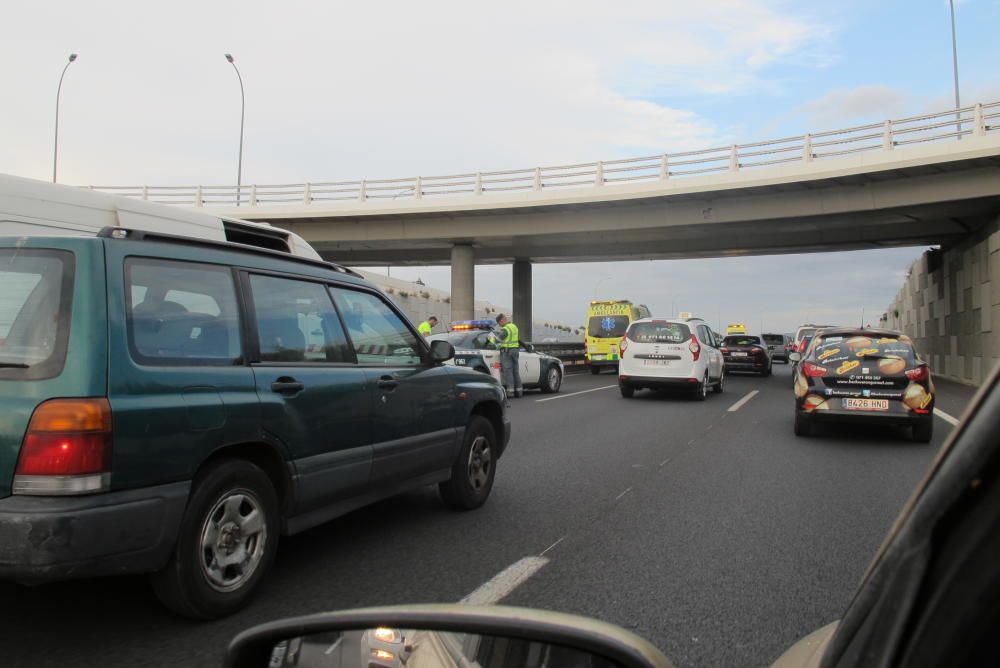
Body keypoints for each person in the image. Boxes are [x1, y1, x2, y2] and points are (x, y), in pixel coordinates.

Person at [494, 313, 522, 398]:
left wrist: (491, 338)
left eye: (499, 323)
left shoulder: (505, 329)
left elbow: (498, 340)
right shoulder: (514, 327)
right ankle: (519, 391)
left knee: (508, 371)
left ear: (502, 320)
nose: (499, 325)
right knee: (515, 372)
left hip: (507, 352)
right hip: (515, 351)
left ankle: (510, 392)